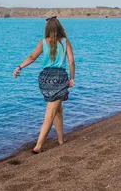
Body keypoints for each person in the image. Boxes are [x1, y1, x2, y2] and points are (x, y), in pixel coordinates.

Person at [13, 16, 75, 154]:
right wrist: (72, 78)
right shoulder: (65, 42)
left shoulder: (43, 42)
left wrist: (19, 67)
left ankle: (60, 140)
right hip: (59, 78)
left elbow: (32, 57)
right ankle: (38, 146)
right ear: (59, 28)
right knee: (51, 112)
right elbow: (71, 61)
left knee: (58, 109)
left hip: (45, 79)